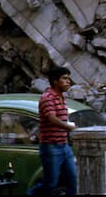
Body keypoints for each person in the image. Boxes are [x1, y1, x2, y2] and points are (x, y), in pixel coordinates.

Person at [33, 65, 77, 196]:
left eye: (69, 78)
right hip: (51, 146)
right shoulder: (48, 97)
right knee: (50, 183)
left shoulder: (61, 97)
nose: (68, 82)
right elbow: (53, 119)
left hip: (64, 146)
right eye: (64, 78)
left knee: (73, 180)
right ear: (55, 80)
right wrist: (71, 127)